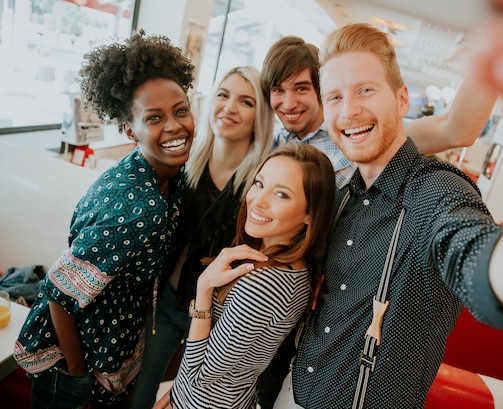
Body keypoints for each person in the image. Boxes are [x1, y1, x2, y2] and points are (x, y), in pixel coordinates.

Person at [271, 0, 503, 407]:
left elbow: (492, 279)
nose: (349, 110)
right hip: (295, 389)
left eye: (365, 90)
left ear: (402, 100)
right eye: (334, 97)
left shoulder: (436, 194)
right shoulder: (341, 192)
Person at [13, 32, 195, 409]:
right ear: (131, 130)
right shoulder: (140, 209)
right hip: (74, 363)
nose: (175, 126)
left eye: (181, 110)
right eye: (154, 118)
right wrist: (79, 374)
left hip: (109, 353)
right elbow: (57, 294)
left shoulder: (167, 176)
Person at [128, 66, 275, 409]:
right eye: (223, 95)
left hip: (221, 315)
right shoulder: (184, 158)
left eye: (246, 101)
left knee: (191, 400)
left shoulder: (263, 180)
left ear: (260, 117)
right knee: (140, 390)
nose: (229, 107)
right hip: (166, 301)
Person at [153, 143, 336, 409]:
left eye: (281, 194)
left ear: (310, 214)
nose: (258, 200)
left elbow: (200, 373)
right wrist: (178, 393)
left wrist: (203, 288)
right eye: (259, 183)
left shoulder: (263, 285)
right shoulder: (292, 267)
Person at [260, 35, 499, 188]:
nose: (288, 103)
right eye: (278, 90)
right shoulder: (277, 142)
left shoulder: (363, 130)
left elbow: (456, 131)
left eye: (301, 88)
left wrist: (496, 45)